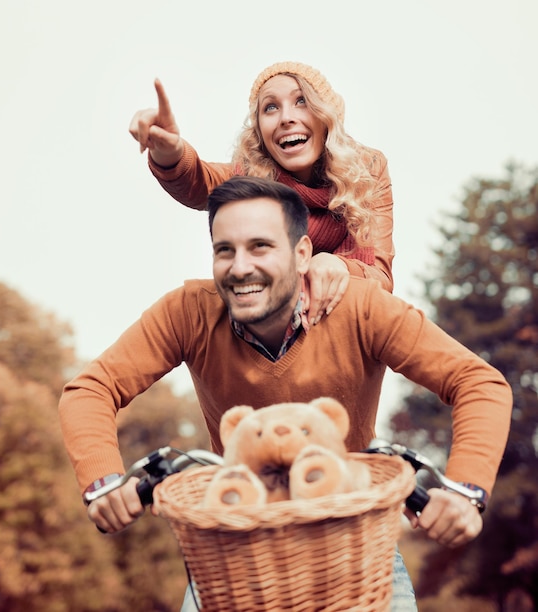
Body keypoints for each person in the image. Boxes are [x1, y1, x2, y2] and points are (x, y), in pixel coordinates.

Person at [59, 176, 512, 611]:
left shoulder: (363, 307)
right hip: (234, 555)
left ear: (301, 254)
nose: (240, 267)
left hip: (355, 548)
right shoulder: (188, 313)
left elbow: (478, 383)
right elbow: (90, 390)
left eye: (260, 247)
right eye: (224, 251)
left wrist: (464, 491)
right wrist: (104, 484)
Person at [129, 61, 394, 325]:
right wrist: (168, 150)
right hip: (267, 332)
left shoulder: (367, 172)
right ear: (259, 130)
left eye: (301, 101)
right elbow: (198, 181)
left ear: (327, 116)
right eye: (270, 107)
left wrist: (338, 266)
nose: (286, 118)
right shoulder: (252, 178)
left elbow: (380, 277)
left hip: (346, 332)